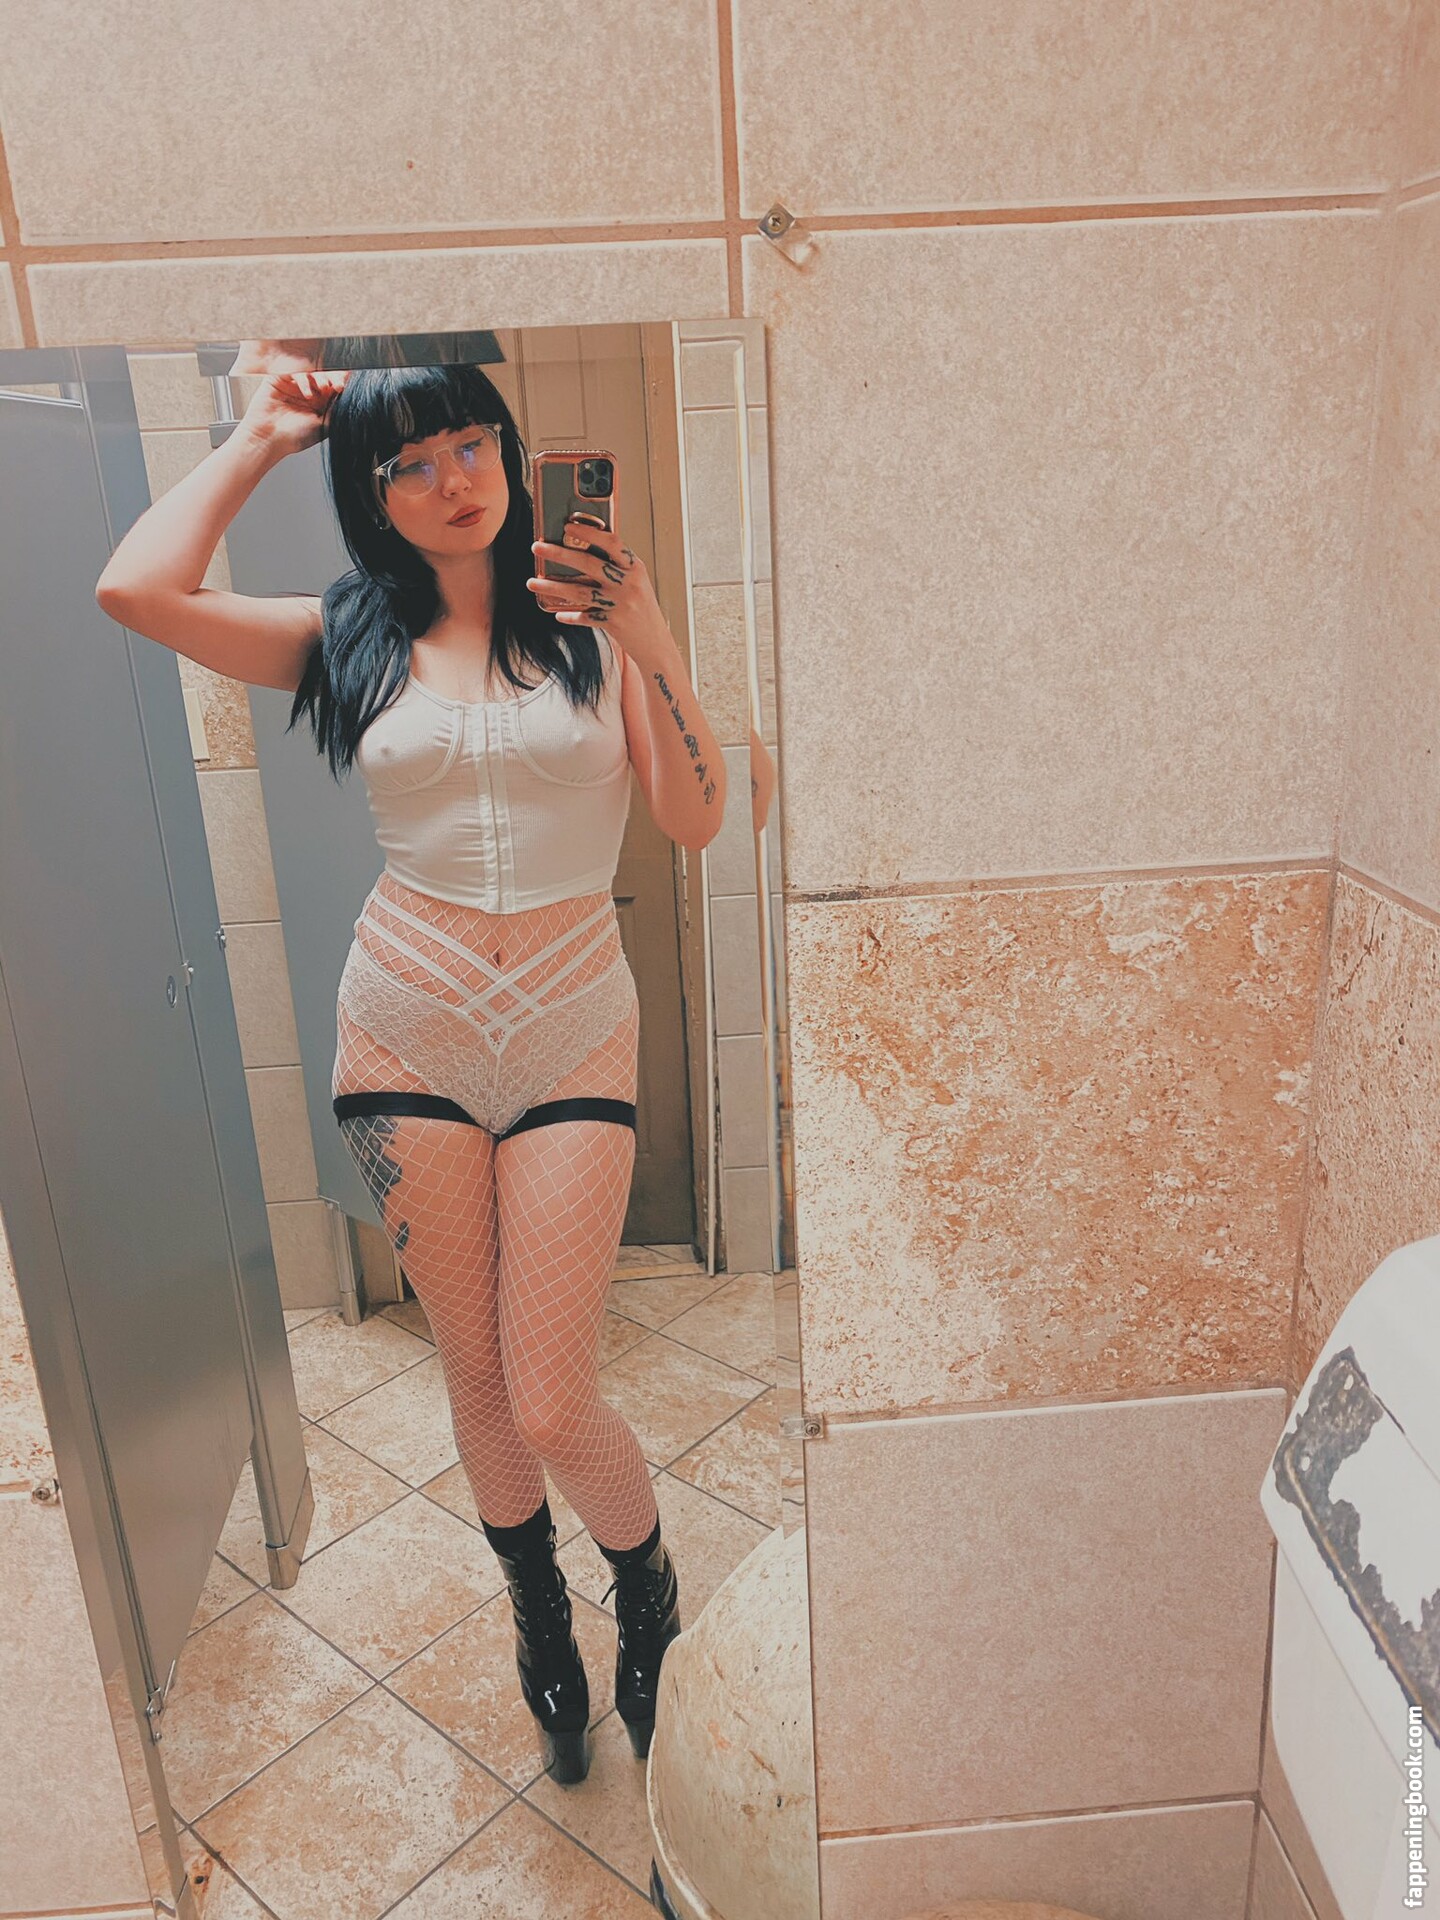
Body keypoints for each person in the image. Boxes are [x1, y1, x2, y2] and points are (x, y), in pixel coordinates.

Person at [94, 359, 727, 1786]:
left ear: (510, 450)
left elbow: (694, 819)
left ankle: (643, 1584)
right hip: (403, 1032)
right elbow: (135, 589)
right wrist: (260, 436)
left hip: (573, 1026)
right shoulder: (345, 637)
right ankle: (536, 1606)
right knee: (479, 1375)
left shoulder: (594, 632)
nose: (455, 480)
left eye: (472, 443)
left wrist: (653, 640)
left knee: (553, 1395)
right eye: (411, 462)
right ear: (372, 493)